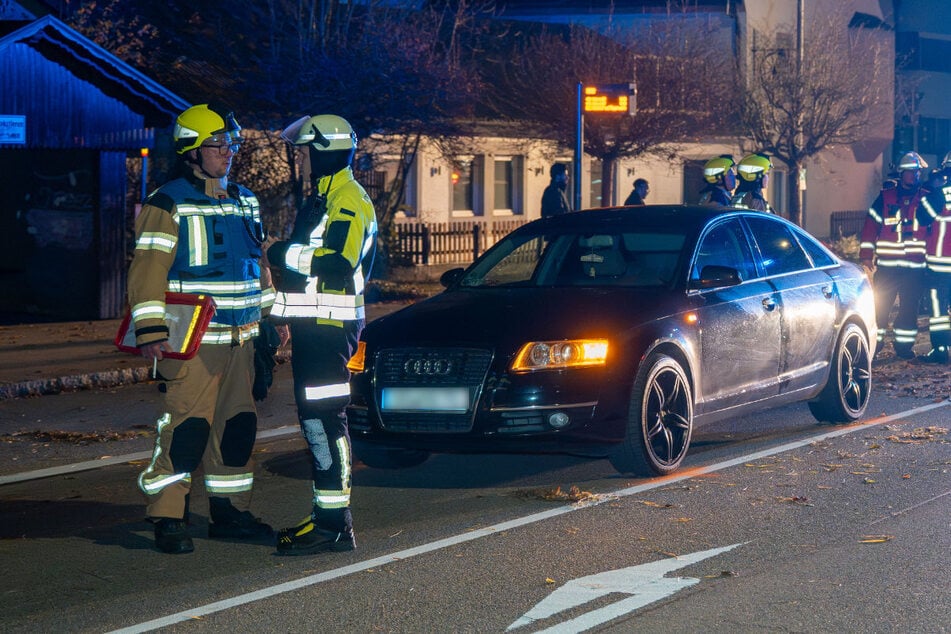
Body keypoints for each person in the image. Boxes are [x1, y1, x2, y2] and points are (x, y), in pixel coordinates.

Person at [128, 104, 275, 554]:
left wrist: (272, 321)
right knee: (186, 430)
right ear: (190, 150)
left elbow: (258, 268)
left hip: (242, 341)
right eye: (217, 144)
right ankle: (168, 516)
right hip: (192, 344)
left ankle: (229, 512)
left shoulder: (245, 199)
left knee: (237, 429)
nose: (228, 152)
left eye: (231, 144)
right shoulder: (168, 203)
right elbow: (148, 268)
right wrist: (150, 330)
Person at [265, 114, 377, 555]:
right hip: (316, 330)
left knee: (325, 423)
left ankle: (333, 524)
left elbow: (337, 262)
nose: (303, 160)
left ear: (324, 152)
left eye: (307, 152)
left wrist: (279, 251)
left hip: (330, 332)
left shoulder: (346, 199)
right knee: (317, 423)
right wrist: (280, 318)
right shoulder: (326, 197)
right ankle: (327, 517)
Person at [859, 151, 932, 359]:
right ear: (901, 173)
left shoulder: (927, 197)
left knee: (909, 310)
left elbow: (934, 230)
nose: (913, 175)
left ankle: (904, 348)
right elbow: (871, 225)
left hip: (915, 267)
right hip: (887, 266)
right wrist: (866, 254)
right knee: (880, 308)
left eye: (916, 172)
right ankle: (875, 345)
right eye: (909, 172)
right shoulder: (886, 197)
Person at [919, 151, 951, 363]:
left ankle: (941, 350)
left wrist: (931, 189)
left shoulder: (939, 195)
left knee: (939, 310)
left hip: (940, 265)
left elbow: (922, 218)